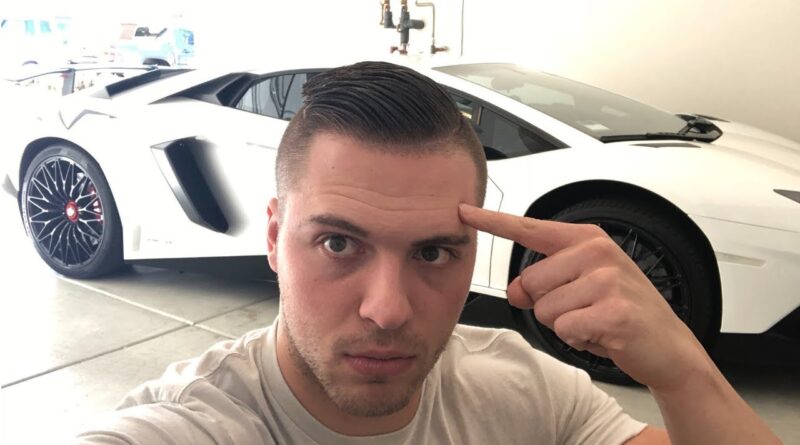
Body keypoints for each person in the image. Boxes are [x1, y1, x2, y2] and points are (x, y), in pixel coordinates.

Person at [74, 61, 781, 445]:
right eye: (338, 243)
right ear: (273, 239)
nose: (387, 310)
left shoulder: (527, 394)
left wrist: (685, 373)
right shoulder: (197, 424)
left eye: (435, 253)